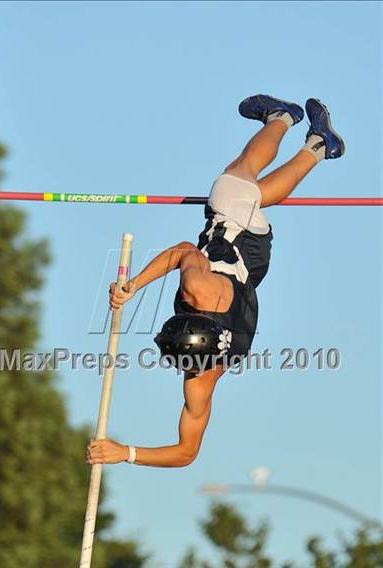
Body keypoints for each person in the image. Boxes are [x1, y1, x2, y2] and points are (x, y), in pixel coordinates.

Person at [87, 95, 345, 468]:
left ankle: (319, 146)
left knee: (252, 195)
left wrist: (123, 454)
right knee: (234, 179)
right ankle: (281, 118)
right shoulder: (198, 288)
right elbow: (180, 252)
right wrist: (133, 287)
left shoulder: (201, 376)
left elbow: (186, 452)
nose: (184, 372)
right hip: (238, 241)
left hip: (249, 274)